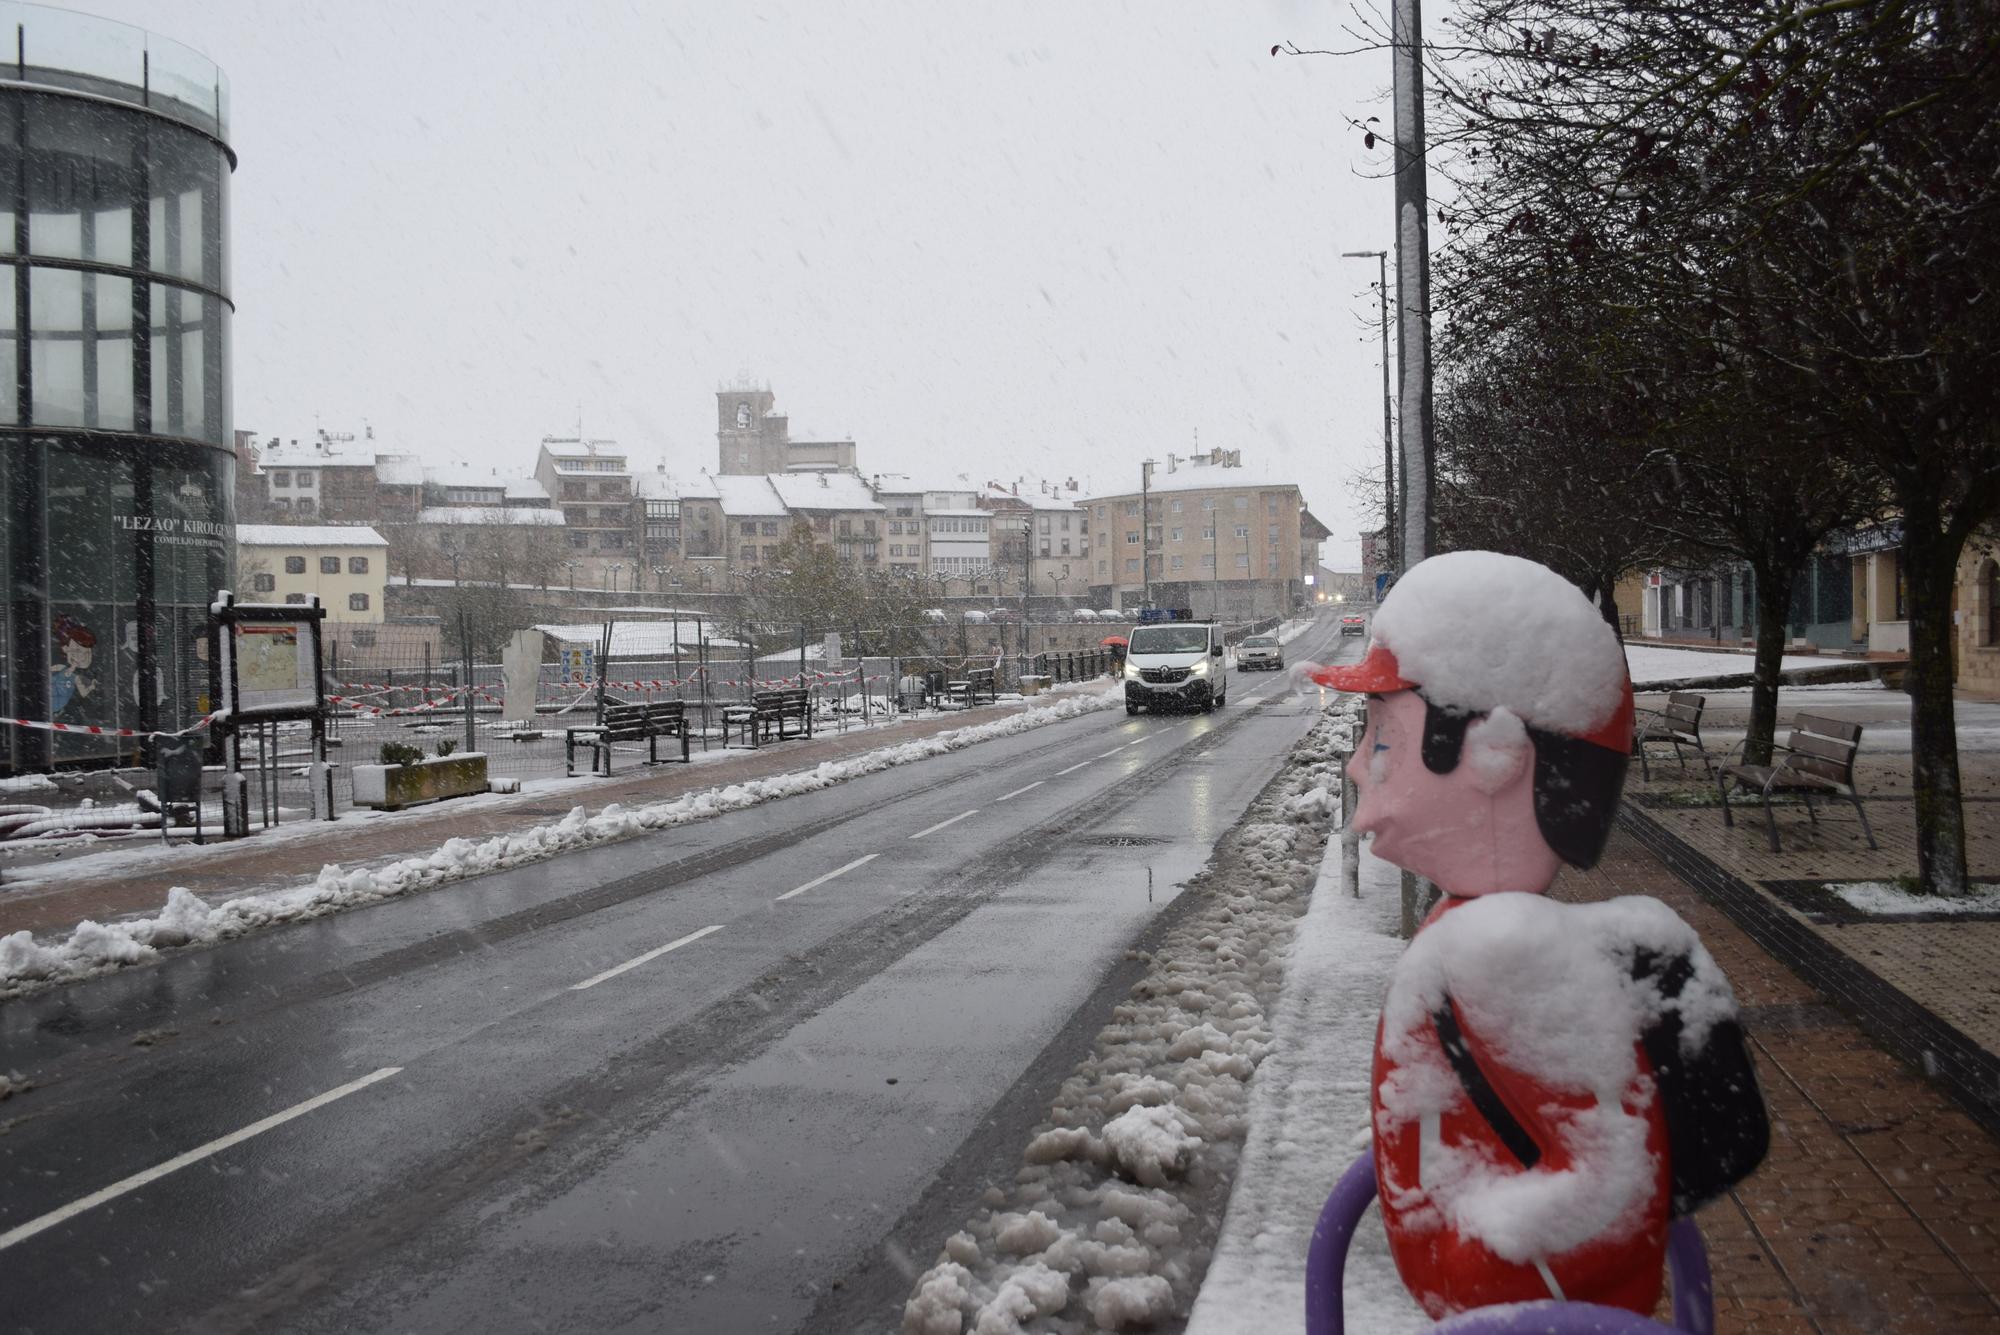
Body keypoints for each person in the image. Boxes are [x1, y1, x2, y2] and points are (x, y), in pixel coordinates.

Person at [1308, 552, 1766, 1320]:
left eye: (1383, 736)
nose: (1359, 765)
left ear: (1495, 753)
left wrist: (1484, 1265)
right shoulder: (1483, 936)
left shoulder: (1506, 956)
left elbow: (1613, 1181)